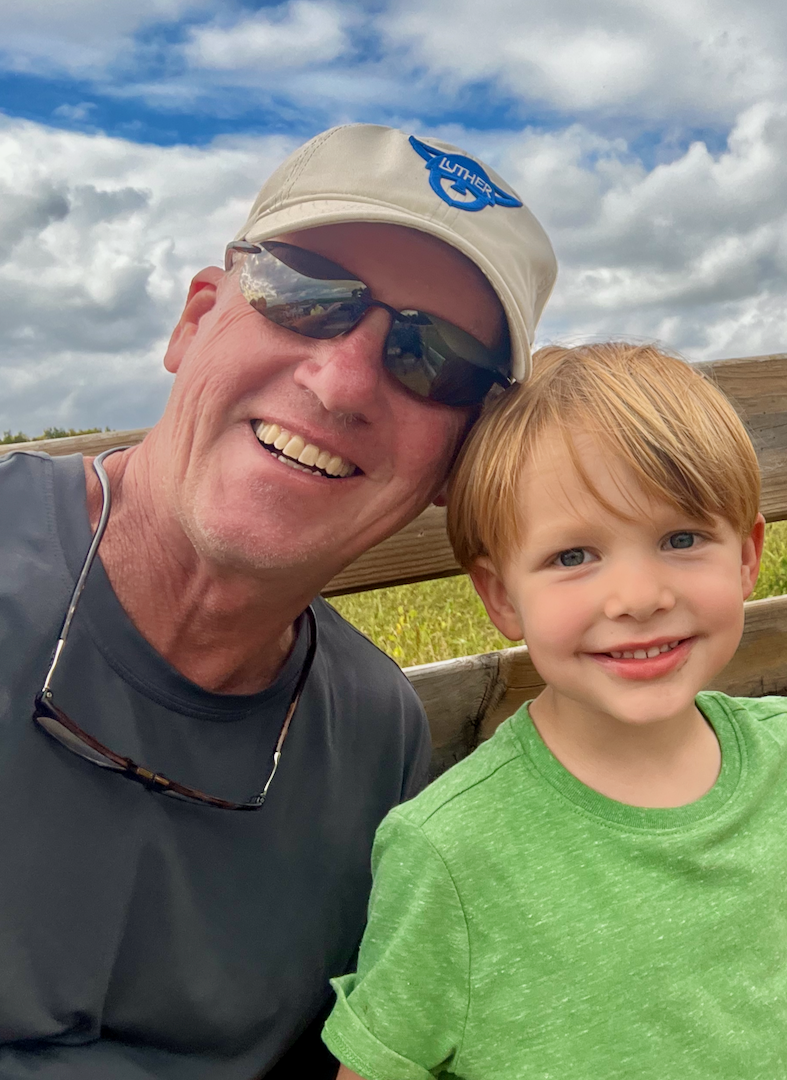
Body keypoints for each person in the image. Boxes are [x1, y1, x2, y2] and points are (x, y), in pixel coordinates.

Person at [322, 343, 787, 1080]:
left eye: (681, 538)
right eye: (573, 557)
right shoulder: (451, 849)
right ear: (499, 595)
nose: (640, 597)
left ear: (746, 557)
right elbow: (382, 1062)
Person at [0, 124, 557, 1079]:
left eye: (439, 359)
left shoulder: (376, 739)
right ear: (196, 319)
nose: (343, 382)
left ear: (452, 464)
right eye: (306, 294)